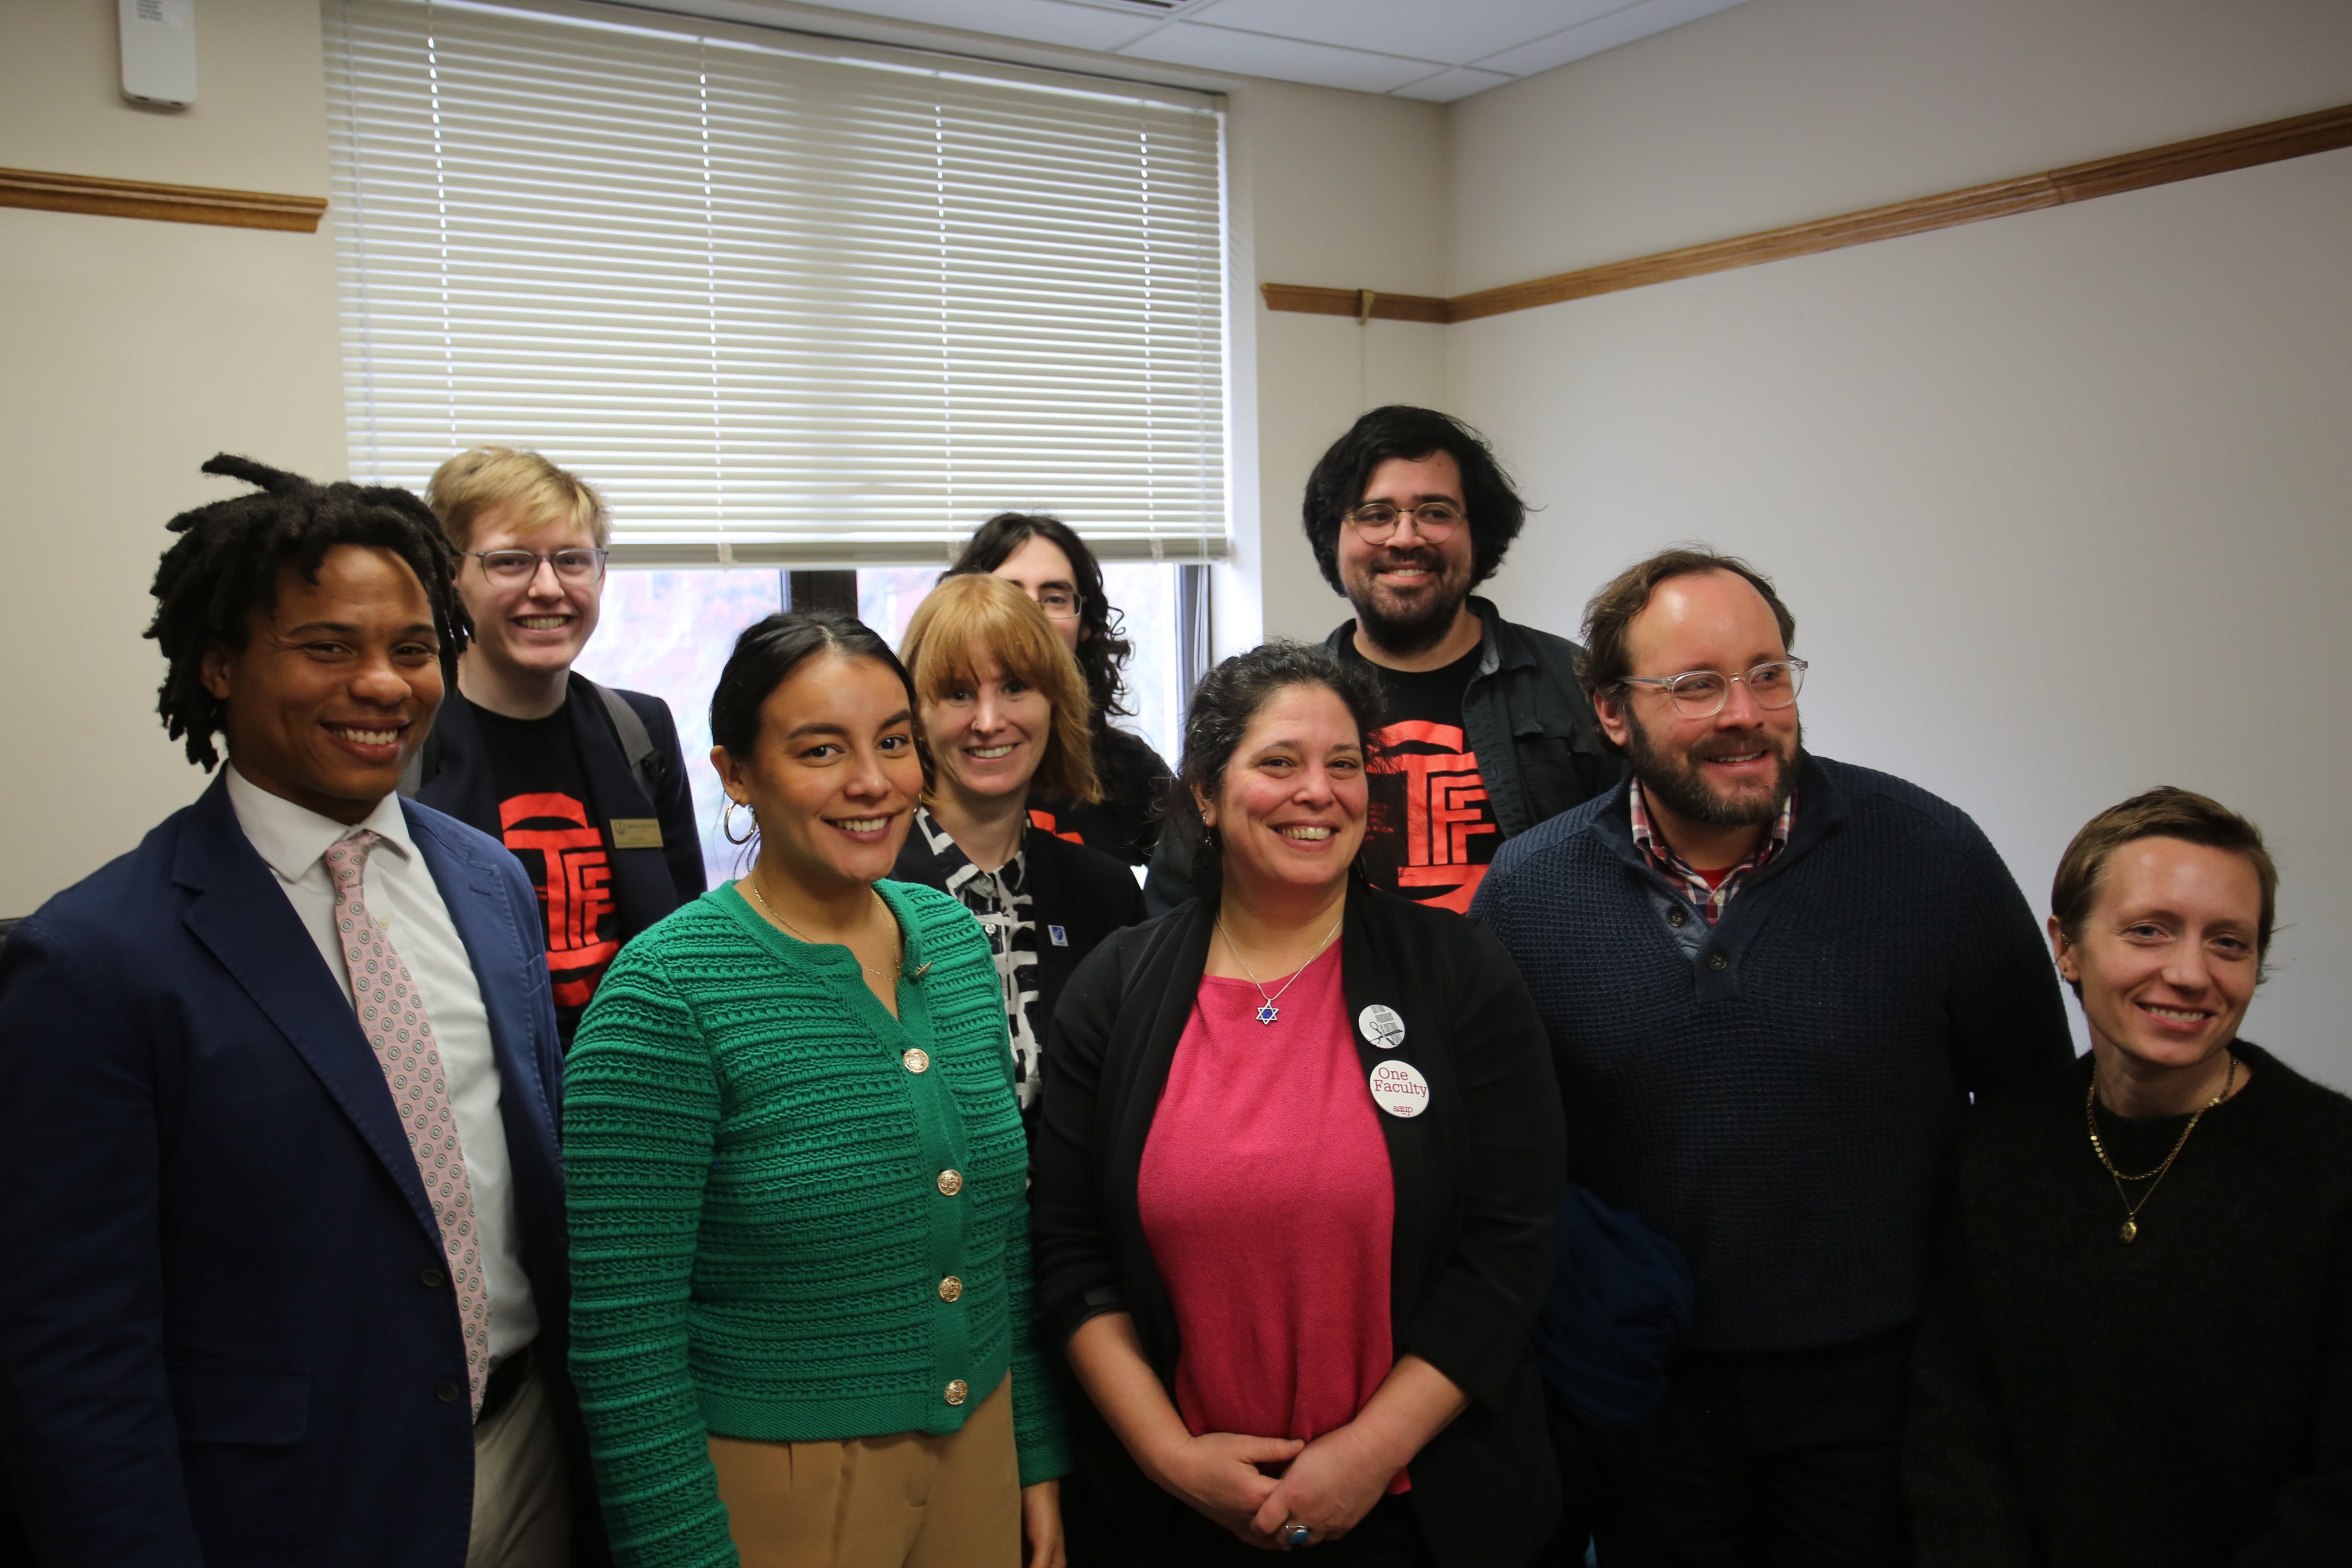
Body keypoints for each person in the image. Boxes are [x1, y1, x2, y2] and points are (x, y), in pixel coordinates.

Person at [0, 457, 590, 1566]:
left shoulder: (489, 883)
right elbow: (73, 1353)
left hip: (530, 1458)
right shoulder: (94, 961)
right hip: (291, 1508)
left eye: (413, 649)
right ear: (219, 665)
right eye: (328, 647)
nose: (382, 683)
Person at [1469, 546, 2074, 1565]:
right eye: (1696, 685)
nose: (1745, 711)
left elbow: (2035, 1117)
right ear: (1612, 713)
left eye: (1767, 672)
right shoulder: (1528, 894)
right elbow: (1501, 1161)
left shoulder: (1932, 857)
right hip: (1641, 1396)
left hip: (1878, 1394)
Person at [1030, 641, 1566, 1568]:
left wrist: (1368, 1454)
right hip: (1176, 1513)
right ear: (1205, 791)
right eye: (1278, 762)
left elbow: (1509, 1244)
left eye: (1345, 765)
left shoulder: (1457, 971)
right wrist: (1168, 1456)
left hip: (1423, 1507)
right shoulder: (1117, 987)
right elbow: (1071, 1253)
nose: (1317, 791)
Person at [563, 610, 1068, 1568]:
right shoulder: (665, 992)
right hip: (781, 1484)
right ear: (736, 773)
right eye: (820, 749)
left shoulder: (951, 941)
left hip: (981, 1455)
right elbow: (627, 1342)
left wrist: (1034, 1452)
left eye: (892, 742)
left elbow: (1001, 1238)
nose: (872, 782)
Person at [1906, 788, 2352, 1565]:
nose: (2189, 973)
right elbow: (1955, 1426)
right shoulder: (1996, 1148)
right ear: (2067, 946)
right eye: (2149, 930)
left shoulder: (2334, 1162)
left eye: (2229, 942)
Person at [1146, 408, 1614, 915]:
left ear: (1477, 534)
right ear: (1334, 539)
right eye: (1375, 515)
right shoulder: (1271, 708)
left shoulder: (1578, 685)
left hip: (1534, 990)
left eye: (1435, 512)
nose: (1405, 538)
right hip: (1333, 991)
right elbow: (1179, 896)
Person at [410, 446, 703, 1044]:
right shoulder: (408, 739)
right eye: (511, 562)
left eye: (572, 560)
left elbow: (686, 932)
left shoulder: (640, 730)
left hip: (633, 1080)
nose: (548, 588)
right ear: (449, 576)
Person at [891, 574, 1145, 1126]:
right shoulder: (868, 889)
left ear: (1054, 702)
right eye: (959, 693)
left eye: (1014, 688)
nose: (988, 721)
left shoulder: (1106, 893)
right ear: (918, 716)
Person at [947, 512, 1173, 866]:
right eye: (1009, 594)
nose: (1033, 616)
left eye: (1055, 598)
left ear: (1085, 626)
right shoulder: (928, 755)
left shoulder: (1128, 768)